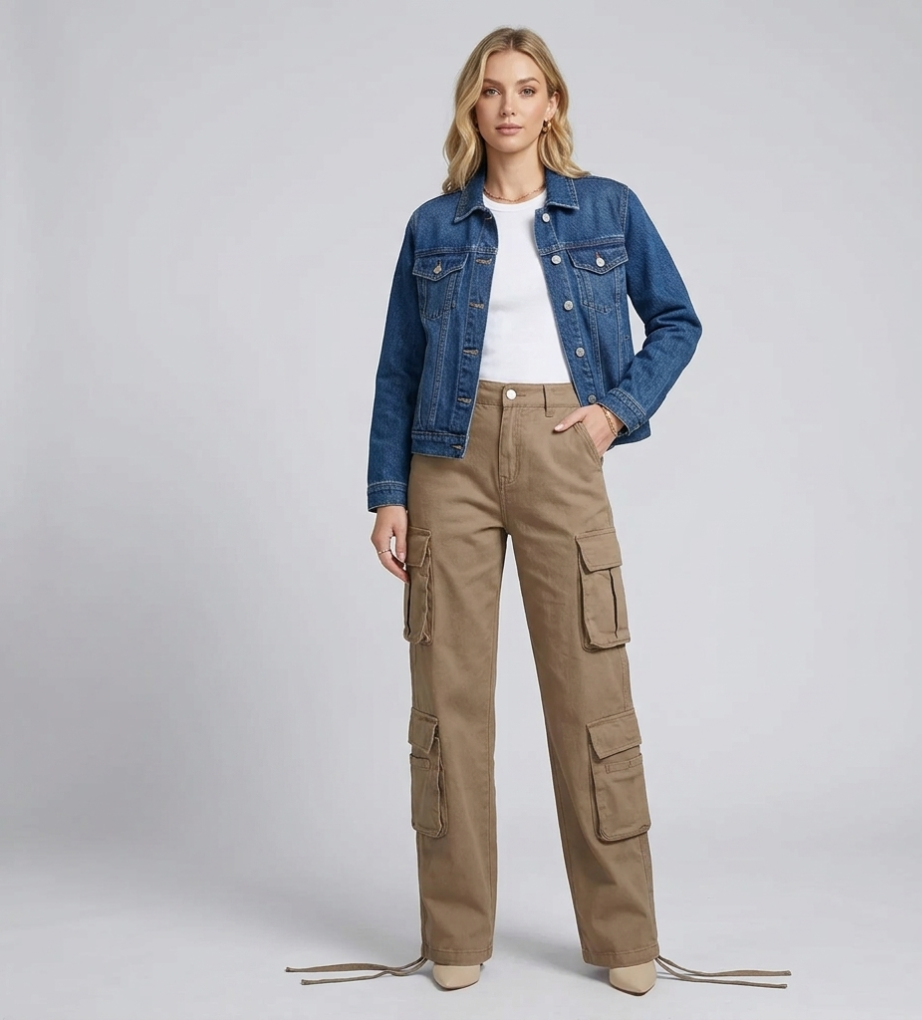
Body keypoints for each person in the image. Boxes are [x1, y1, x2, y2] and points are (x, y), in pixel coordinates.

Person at [285, 25, 790, 998]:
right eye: (491, 89)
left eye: (526, 88)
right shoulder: (434, 226)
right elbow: (398, 369)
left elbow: (677, 320)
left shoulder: (607, 208)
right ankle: (454, 933)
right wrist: (388, 494)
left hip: (563, 450)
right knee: (449, 704)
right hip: (448, 458)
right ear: (471, 108)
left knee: (591, 694)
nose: (508, 105)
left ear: (552, 103)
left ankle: (624, 933)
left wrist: (615, 411)